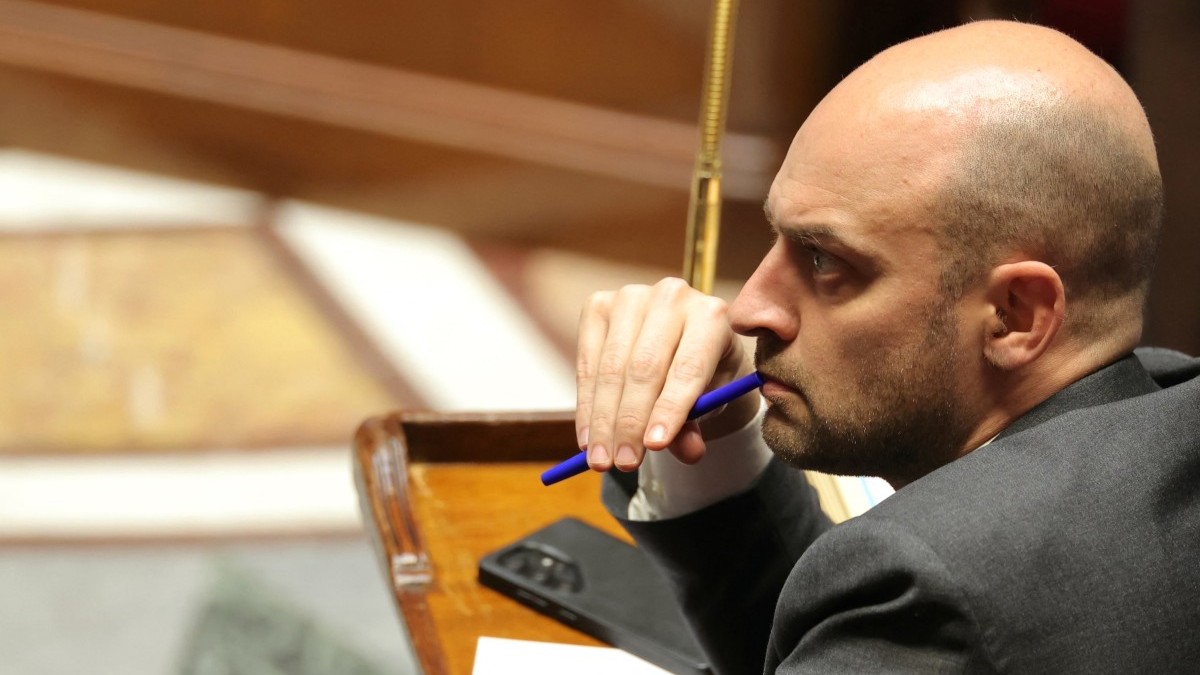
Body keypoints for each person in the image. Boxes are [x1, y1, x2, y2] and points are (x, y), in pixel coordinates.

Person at [573, 19, 1200, 674]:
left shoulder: (932, 588)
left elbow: (929, 600)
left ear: (1015, 316)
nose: (749, 309)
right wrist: (721, 441)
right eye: (778, 239)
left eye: (824, 260)